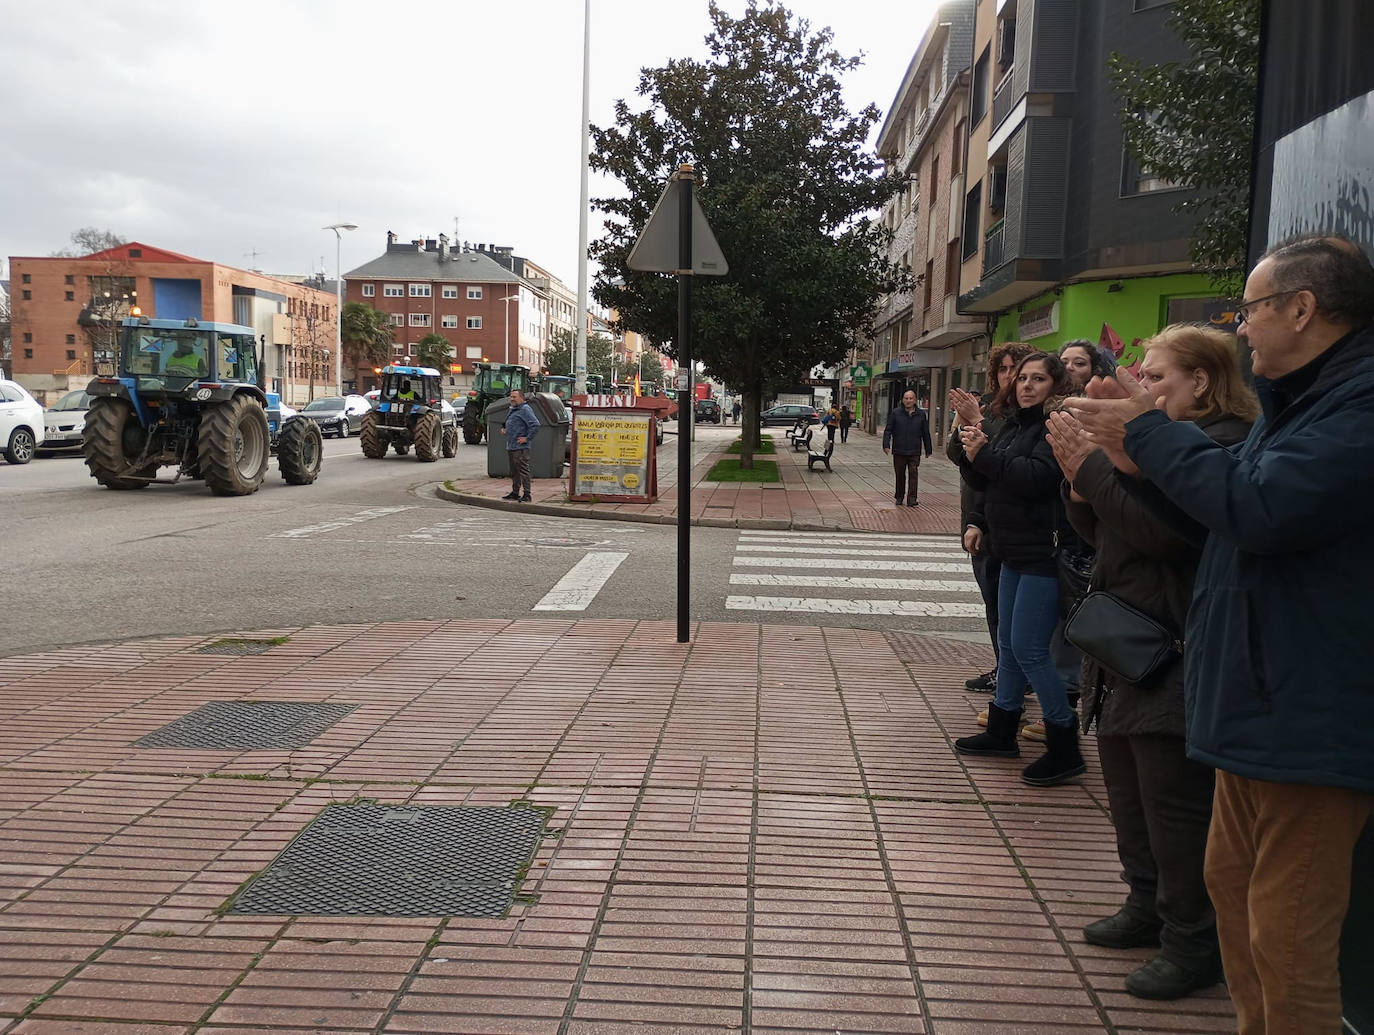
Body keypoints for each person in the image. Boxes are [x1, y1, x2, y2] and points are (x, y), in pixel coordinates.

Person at [1066, 233, 1374, 1033]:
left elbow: (1262, 510)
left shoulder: (1356, 406)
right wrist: (1129, 461)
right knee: (1236, 905)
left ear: (1302, 309)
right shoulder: (1297, 403)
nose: (1242, 328)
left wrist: (1146, 437)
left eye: (1253, 308)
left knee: (1289, 939)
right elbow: (1223, 515)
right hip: (1249, 706)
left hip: (1308, 719)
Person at [1048, 325, 1258, 1001]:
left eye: (1161, 377)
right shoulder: (1154, 444)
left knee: (1175, 810)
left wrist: (1094, 470)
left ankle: (1191, 941)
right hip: (1123, 649)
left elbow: (1164, 535)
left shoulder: (1218, 444)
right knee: (1130, 798)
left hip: (1170, 653)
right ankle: (1144, 904)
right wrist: (1083, 486)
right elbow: (1107, 534)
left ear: (1203, 381)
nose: (1147, 385)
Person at [950, 351, 1085, 787]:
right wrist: (970, 444)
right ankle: (1002, 729)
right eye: (1022, 378)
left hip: (1044, 554)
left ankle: (1064, 744)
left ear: (1056, 385)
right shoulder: (1014, 424)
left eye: (1038, 378)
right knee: (1009, 645)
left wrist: (985, 454)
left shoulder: (1055, 427)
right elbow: (987, 482)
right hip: (1011, 551)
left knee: (1029, 649)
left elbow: (1034, 479)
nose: (1026, 385)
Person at [948, 342, 1035, 693]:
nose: (1009, 376)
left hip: (1007, 527)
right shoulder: (995, 410)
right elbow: (958, 455)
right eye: (1003, 368)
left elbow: (1001, 463)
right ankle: (1004, 668)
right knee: (992, 601)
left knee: (1007, 606)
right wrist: (962, 421)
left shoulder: (1026, 416)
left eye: (1017, 369)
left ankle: (1015, 676)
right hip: (980, 518)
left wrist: (977, 420)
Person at [882, 390, 933, 506]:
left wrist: (928, 449)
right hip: (899, 450)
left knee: (913, 473)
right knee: (900, 475)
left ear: (915, 400)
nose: (908, 400)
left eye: (911, 398)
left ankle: (912, 498)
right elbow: (888, 430)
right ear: (903, 400)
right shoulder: (896, 413)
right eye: (906, 398)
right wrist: (886, 444)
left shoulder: (921, 414)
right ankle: (899, 496)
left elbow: (925, 433)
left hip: (914, 450)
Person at [501, 389, 539, 502]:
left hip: (521, 448)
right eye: (511, 397)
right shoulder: (513, 409)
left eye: (514, 397)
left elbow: (535, 425)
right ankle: (515, 492)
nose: (512, 399)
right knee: (514, 471)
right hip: (512, 445)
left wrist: (527, 438)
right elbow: (510, 422)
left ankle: (527, 494)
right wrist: (506, 429)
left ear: (521, 398)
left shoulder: (525, 409)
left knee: (523, 470)